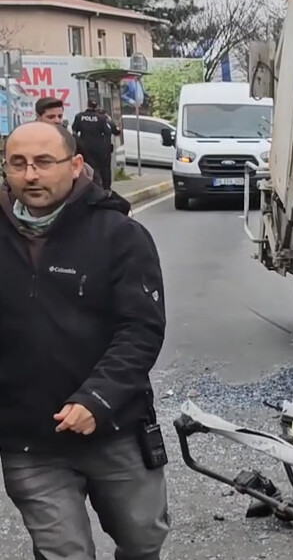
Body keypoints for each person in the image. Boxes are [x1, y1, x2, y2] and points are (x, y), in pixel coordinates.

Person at [0, 121, 170, 558]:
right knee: (63, 551)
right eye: (18, 163)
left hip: (115, 427)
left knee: (143, 538)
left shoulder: (120, 236)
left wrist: (97, 400)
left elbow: (141, 329)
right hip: (29, 439)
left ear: (75, 165)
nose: (31, 175)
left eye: (44, 162)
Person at [34, 96, 100, 186]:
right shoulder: (26, 140)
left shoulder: (71, 140)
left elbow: (90, 168)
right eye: (51, 117)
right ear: (38, 117)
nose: (57, 120)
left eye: (60, 116)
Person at [71, 97, 120, 191]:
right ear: (96, 106)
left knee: (85, 167)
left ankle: (85, 186)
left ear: (87, 104)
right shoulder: (101, 118)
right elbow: (108, 131)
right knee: (102, 169)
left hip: (83, 146)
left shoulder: (79, 116)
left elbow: (74, 131)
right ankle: (103, 188)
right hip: (98, 148)